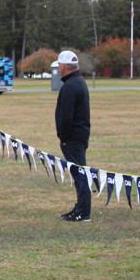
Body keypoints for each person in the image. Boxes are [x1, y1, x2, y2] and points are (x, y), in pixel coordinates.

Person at [54, 50, 91, 222]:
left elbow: (66, 116)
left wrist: (64, 136)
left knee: (79, 174)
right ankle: (80, 207)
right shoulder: (79, 82)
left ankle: (83, 212)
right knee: (79, 173)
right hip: (80, 135)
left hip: (73, 137)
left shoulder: (69, 86)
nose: (58, 68)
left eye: (59, 65)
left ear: (64, 66)